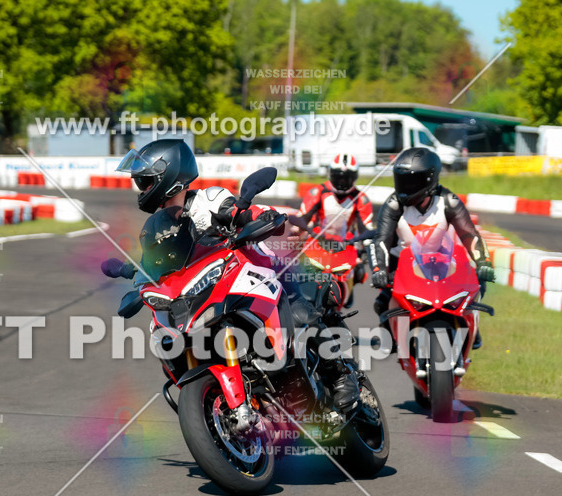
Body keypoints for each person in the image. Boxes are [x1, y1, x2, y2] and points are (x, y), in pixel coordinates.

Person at [116, 139, 360, 413]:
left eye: (146, 181)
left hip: (253, 272)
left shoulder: (208, 200)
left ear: (169, 176)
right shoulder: (155, 228)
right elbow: (154, 266)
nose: (143, 189)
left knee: (301, 313)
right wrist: (135, 272)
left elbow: (237, 211)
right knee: (167, 340)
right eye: (141, 183)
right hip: (202, 292)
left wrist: (255, 215)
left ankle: (342, 376)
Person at [365, 147, 495, 348]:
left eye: (411, 181)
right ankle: (392, 334)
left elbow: (470, 235)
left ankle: (471, 328)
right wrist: (378, 269)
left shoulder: (448, 201)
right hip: (401, 264)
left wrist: (483, 262)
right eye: (401, 180)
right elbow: (380, 240)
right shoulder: (393, 204)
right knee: (382, 301)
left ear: (430, 180)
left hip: (442, 260)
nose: (404, 187)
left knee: (474, 287)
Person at [294, 154, 374, 238]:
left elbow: (366, 230)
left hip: (347, 245)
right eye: (338, 178)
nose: (341, 182)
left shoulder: (361, 199)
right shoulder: (318, 192)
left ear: (354, 178)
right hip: (317, 242)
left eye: (346, 179)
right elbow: (300, 221)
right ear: (331, 175)